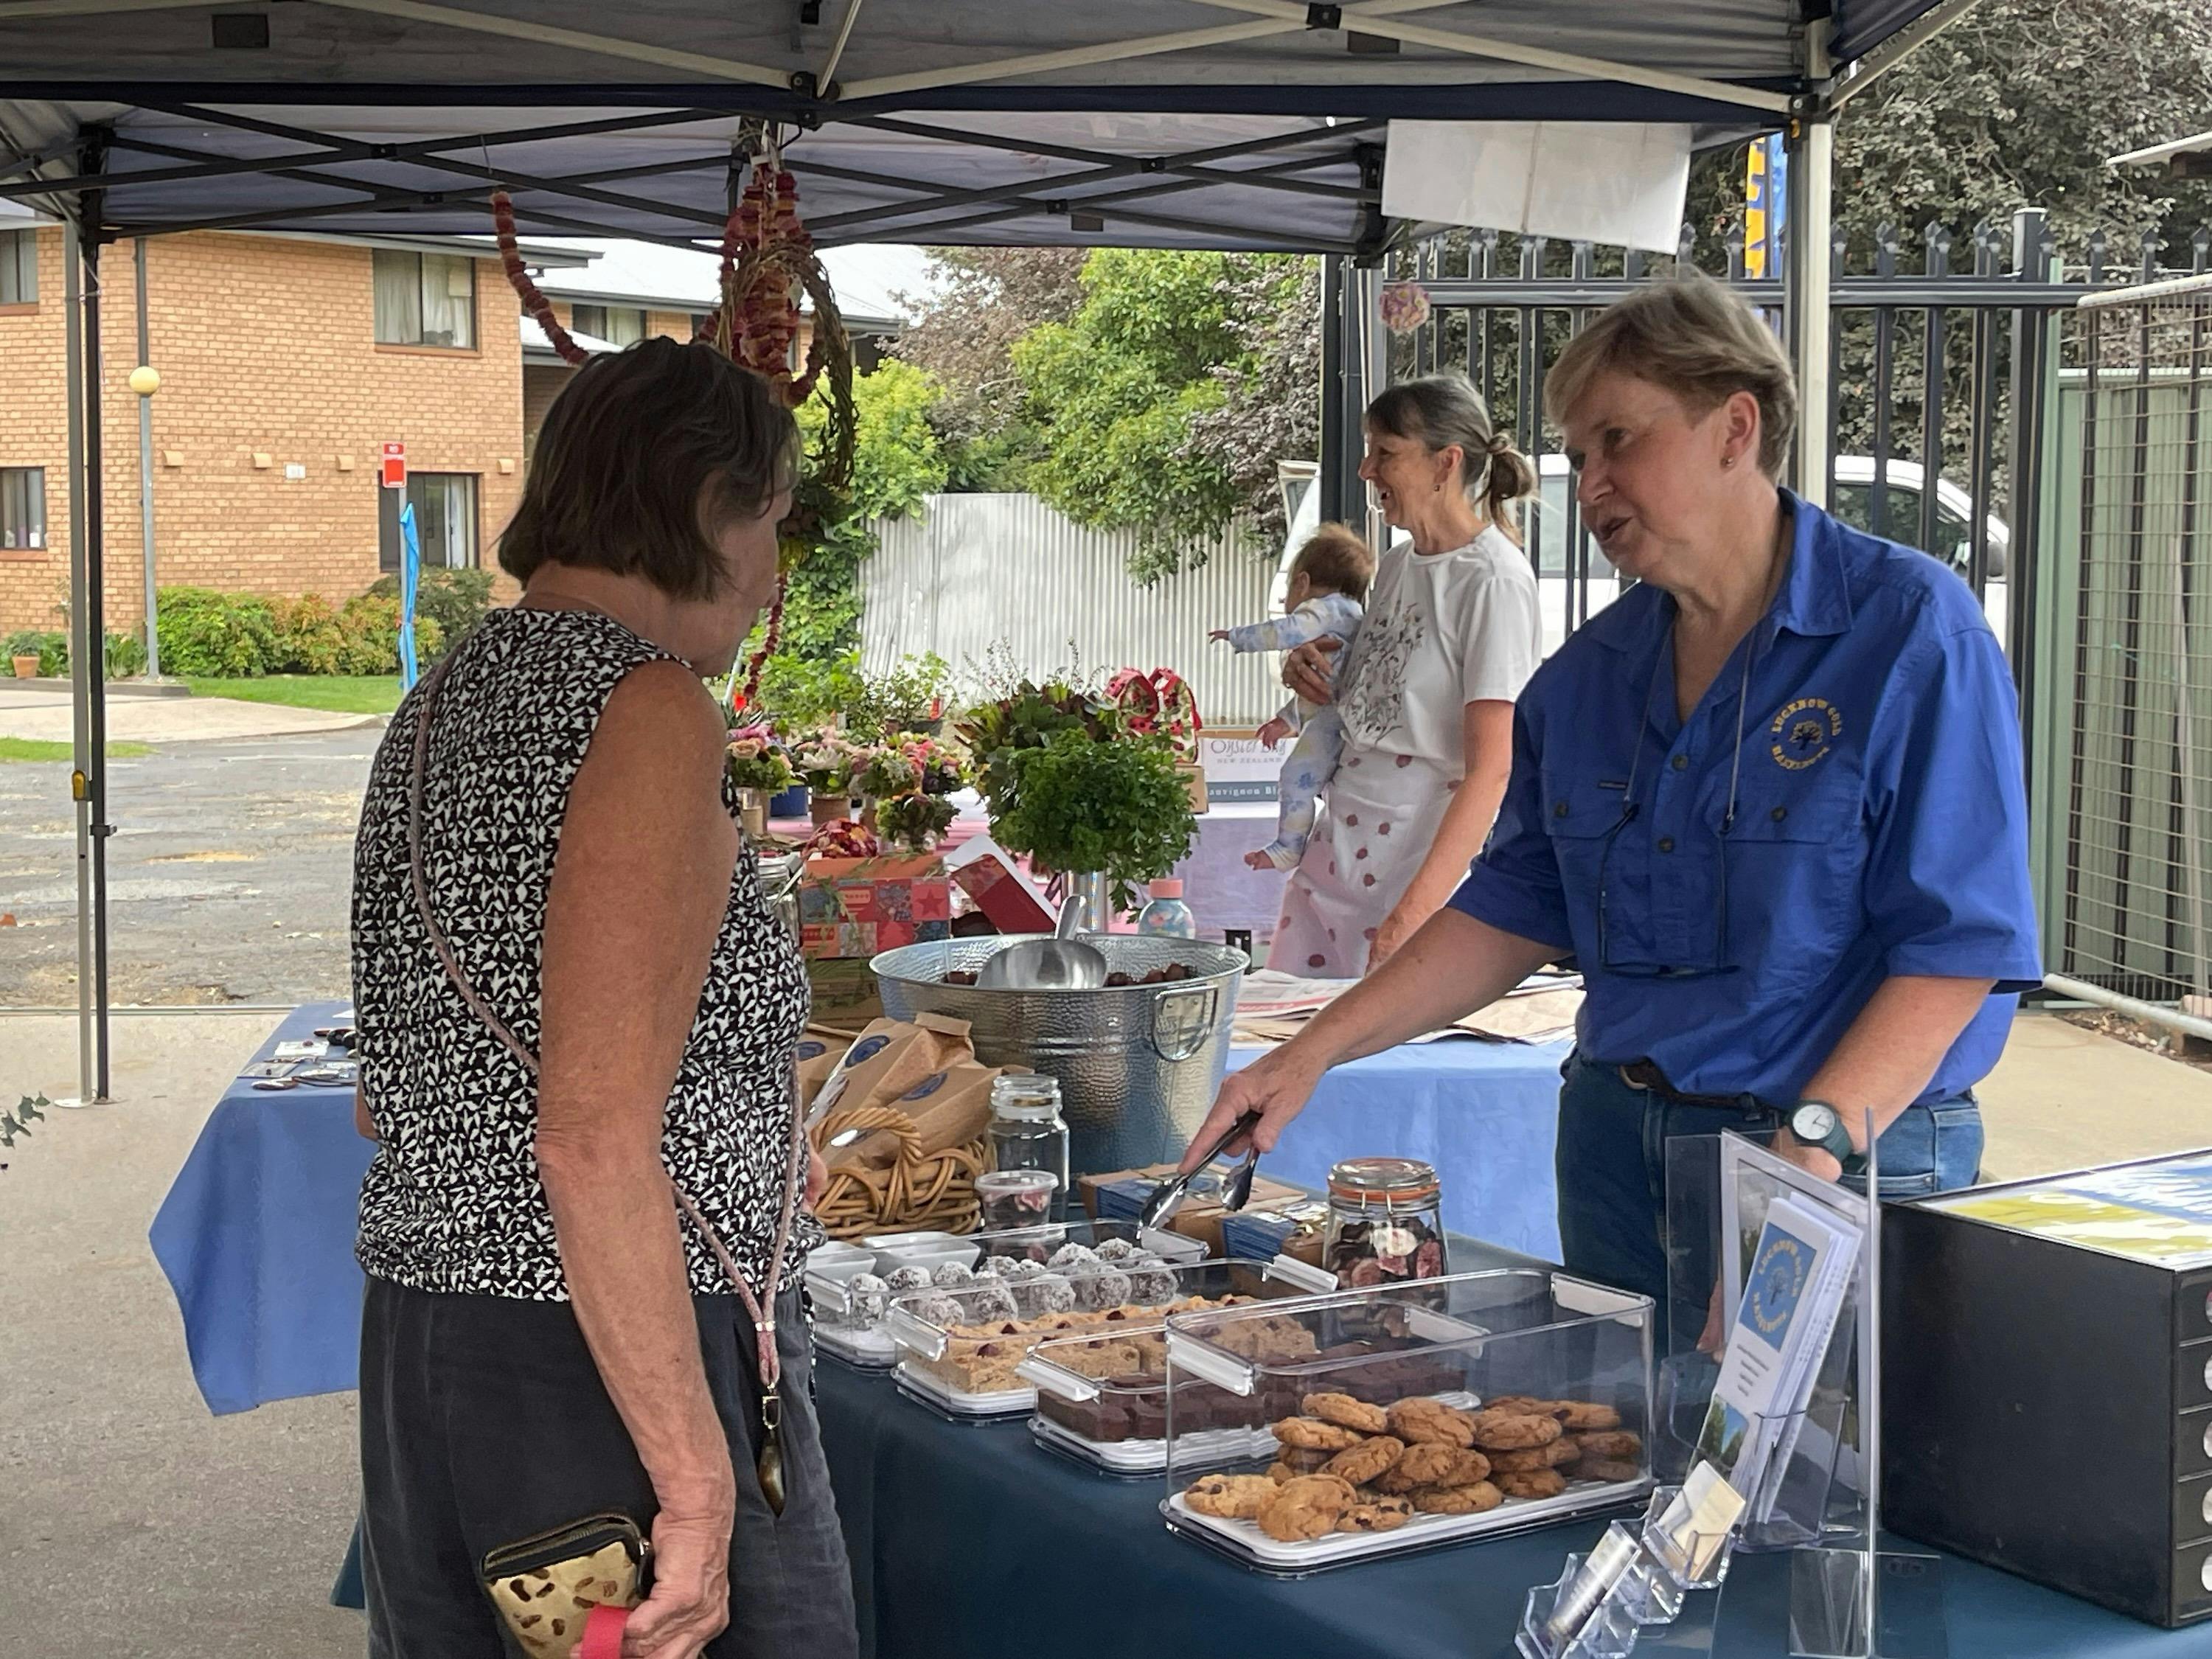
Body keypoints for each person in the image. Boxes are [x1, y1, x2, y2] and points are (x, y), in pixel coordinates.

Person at [1186, 275, 2041, 1323]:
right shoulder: (1590, 677)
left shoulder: (1910, 633)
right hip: (1617, 1145)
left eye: (1619, 442)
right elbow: (1510, 907)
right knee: (1612, 1458)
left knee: (1824, 1480)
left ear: (1735, 428)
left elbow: (1958, 949)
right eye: (1581, 454)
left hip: (1840, 1146)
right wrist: (1307, 1053)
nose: (1589, 484)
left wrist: (1802, 1168)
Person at [349, 337, 857, 1658]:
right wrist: (694, 1489)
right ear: (706, 510)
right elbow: (587, 1137)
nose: (772, 571)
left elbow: (395, 1088)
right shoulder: (644, 704)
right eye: (774, 522)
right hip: (601, 1363)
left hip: (437, 1343)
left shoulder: (452, 692)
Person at [1266, 376, 1543, 975]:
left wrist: (1414, 914)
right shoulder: (1395, 565)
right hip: (1339, 856)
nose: (1367, 470)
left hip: (1414, 868)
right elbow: (1374, 700)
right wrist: (1311, 672)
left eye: (1386, 453)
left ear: (1447, 463)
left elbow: (1492, 768)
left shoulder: (1492, 581)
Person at [1210, 523, 1375, 873]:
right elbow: (1323, 686)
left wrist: (1238, 637)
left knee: (1296, 776)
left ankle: (1288, 846)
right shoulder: (1353, 614)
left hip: (1336, 719)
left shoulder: (1324, 609)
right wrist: (1285, 721)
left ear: (1301, 583)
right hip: (1343, 715)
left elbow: (1288, 632)